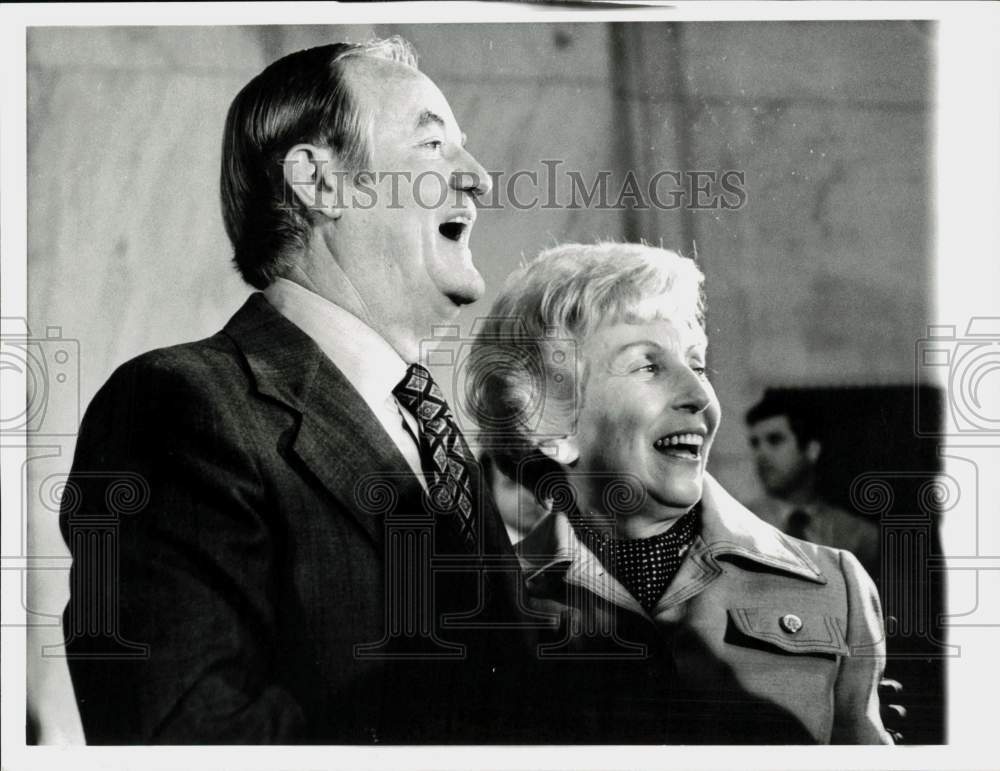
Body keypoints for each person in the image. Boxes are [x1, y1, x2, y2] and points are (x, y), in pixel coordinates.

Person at [59, 38, 536, 744]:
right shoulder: (176, 406)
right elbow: (183, 736)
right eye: (433, 144)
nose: (478, 178)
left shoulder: (441, 444)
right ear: (319, 181)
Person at [465, 242, 892, 744]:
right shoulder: (483, 605)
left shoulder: (835, 584)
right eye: (648, 366)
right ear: (550, 422)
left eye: (698, 363)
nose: (699, 394)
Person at [745, 393, 880, 579]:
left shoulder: (859, 536)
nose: (761, 455)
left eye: (775, 440)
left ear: (811, 450)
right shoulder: (739, 525)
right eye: (755, 444)